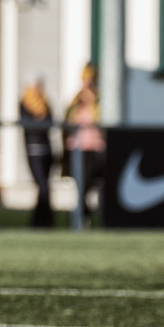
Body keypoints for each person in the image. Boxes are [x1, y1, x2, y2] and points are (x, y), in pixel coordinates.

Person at [63, 63, 104, 221]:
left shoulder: (99, 101)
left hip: (94, 147)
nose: (87, 83)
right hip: (77, 148)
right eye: (85, 79)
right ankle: (82, 216)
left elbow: (99, 120)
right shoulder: (76, 101)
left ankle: (83, 215)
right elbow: (68, 121)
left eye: (90, 79)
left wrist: (92, 102)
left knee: (89, 184)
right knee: (81, 185)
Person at [20, 78, 55, 228]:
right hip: (34, 150)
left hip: (46, 150)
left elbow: (49, 122)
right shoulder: (24, 103)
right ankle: (39, 222)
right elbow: (31, 126)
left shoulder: (45, 103)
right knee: (42, 186)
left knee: (45, 186)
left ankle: (44, 221)